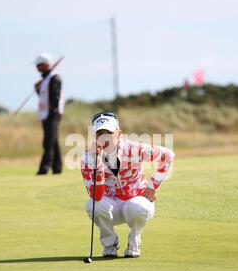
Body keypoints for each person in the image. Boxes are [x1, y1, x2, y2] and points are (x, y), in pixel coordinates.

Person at [81, 112, 175, 258]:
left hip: (135, 203)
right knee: (92, 205)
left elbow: (168, 155)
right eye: (100, 133)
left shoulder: (135, 149)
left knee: (140, 207)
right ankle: (109, 243)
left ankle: (134, 240)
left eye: (109, 132)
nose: (105, 137)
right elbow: (96, 195)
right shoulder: (88, 158)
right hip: (112, 207)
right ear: (95, 137)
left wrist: (151, 187)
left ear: (119, 133)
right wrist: (98, 165)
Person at [34, 52, 64, 175]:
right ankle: (57, 168)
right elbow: (42, 96)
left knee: (48, 141)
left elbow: (54, 97)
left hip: (53, 114)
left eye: (39, 65)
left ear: (46, 65)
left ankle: (44, 168)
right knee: (53, 140)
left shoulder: (54, 77)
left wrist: (53, 111)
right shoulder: (45, 79)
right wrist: (36, 88)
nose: (37, 68)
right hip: (45, 114)